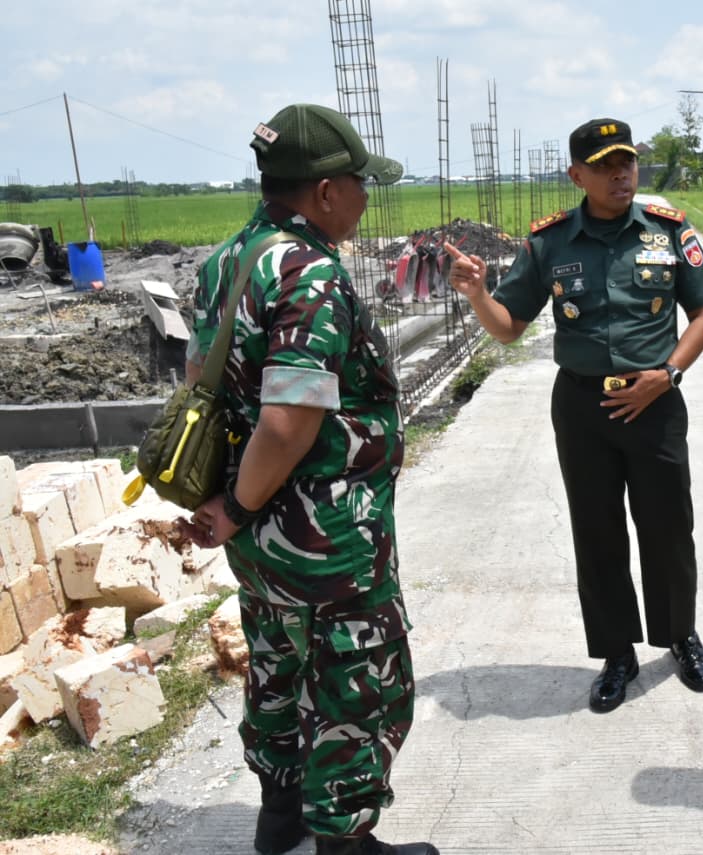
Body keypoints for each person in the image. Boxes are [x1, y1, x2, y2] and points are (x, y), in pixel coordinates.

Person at [178, 104, 436, 855]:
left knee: (278, 662)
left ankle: (281, 812)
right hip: (320, 535)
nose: (365, 196)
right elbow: (289, 421)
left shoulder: (230, 260)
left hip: (262, 539)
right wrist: (239, 503)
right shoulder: (309, 273)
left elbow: (201, 378)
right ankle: (344, 841)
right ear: (325, 192)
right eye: (358, 183)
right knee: (358, 677)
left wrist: (233, 505)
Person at [444, 117, 703, 713]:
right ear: (576, 175)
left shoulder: (669, 232)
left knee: (669, 526)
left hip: (655, 400)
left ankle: (680, 635)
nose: (620, 173)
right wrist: (476, 295)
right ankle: (617, 653)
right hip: (583, 406)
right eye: (604, 165)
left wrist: (666, 375)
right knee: (596, 532)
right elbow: (509, 328)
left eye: (626, 161)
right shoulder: (549, 243)